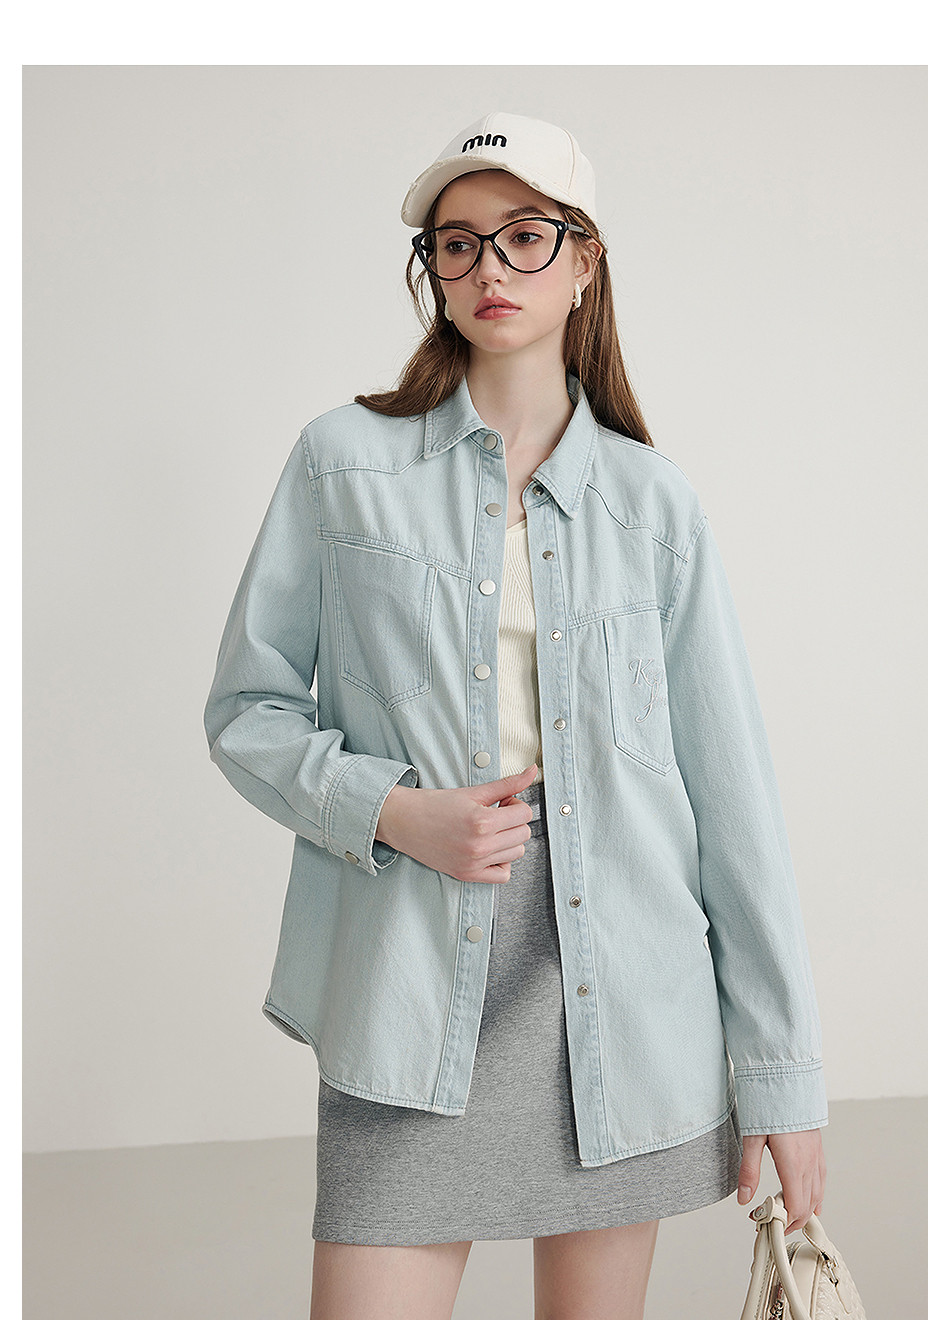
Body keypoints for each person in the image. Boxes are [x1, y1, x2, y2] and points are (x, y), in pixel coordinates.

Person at [203, 111, 828, 1320]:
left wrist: (781, 1079)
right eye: (457, 243)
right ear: (433, 272)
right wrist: (392, 811)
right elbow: (247, 706)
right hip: (403, 985)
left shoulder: (652, 505)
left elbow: (731, 803)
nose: (489, 267)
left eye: (524, 235)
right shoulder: (341, 463)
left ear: (583, 258)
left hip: (619, 1008)